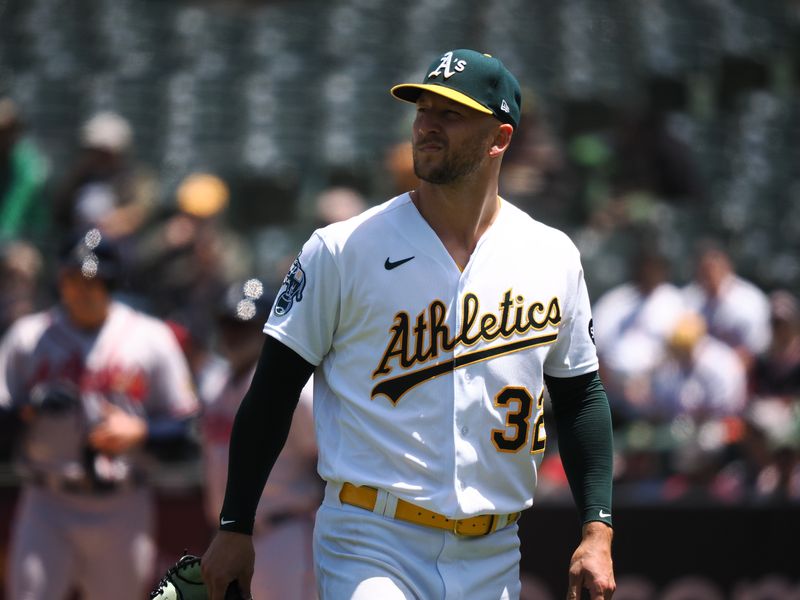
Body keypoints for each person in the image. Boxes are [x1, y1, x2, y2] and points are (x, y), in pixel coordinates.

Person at [201, 49, 615, 600]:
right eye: (423, 108)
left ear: (500, 138)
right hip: (372, 539)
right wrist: (235, 524)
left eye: (452, 113)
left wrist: (597, 530)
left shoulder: (552, 255)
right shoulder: (343, 249)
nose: (427, 125)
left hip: (494, 549)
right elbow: (273, 391)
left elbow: (581, 395)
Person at [0, 228, 199, 600]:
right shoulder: (27, 337)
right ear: (59, 279)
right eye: (73, 277)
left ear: (111, 282)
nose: (82, 287)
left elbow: (187, 429)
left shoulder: (150, 336)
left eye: (93, 278)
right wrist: (26, 411)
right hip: (47, 500)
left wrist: (143, 432)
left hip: (122, 503)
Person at [202, 279, 321, 600]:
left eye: (246, 325)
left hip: (287, 533)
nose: (234, 334)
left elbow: (326, 463)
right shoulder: (215, 384)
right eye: (228, 323)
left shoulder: (294, 391)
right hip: (234, 536)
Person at [592, 247, 685, 422]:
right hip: (616, 399)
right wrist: (618, 385)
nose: (650, 272)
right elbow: (595, 350)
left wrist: (646, 381)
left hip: (663, 401)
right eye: (646, 266)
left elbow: (681, 351)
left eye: (655, 267)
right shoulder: (614, 301)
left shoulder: (675, 301)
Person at [682, 241, 771, 371]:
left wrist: (724, 373)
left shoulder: (749, 300)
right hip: (698, 376)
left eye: (712, 269)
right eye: (703, 271)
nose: (708, 277)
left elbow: (754, 352)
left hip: (741, 376)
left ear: (727, 268)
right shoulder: (690, 298)